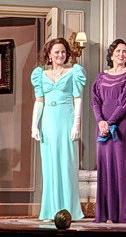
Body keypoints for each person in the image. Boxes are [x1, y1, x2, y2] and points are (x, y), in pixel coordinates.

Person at [30, 38, 86, 221]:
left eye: (63, 52)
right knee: (50, 165)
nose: (60, 55)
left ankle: (69, 210)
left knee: (67, 163)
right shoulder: (40, 74)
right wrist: (34, 125)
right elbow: (39, 101)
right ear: (49, 55)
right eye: (56, 52)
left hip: (66, 119)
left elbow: (78, 99)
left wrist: (76, 124)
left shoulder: (74, 72)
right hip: (48, 121)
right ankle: (50, 209)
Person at [92, 39, 126, 223]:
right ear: (111, 54)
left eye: (125, 52)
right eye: (118, 51)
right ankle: (104, 214)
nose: (121, 54)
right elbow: (95, 100)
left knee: (120, 168)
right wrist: (100, 122)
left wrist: (110, 123)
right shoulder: (101, 76)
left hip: (120, 126)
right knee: (104, 167)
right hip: (102, 127)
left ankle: (122, 215)